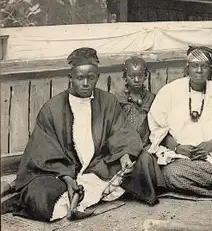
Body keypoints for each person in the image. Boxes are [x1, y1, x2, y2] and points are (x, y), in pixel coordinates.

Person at [1, 48, 167, 222]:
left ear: (97, 77)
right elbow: (44, 153)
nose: (86, 83)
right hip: (61, 172)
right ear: (70, 78)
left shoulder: (108, 101)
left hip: (99, 166)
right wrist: (67, 179)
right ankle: (77, 197)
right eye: (80, 78)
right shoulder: (52, 108)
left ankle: (78, 199)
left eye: (91, 78)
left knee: (142, 161)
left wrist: (125, 155)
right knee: (40, 196)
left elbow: (121, 132)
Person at [147, 46, 212, 197]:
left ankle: (211, 188)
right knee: (171, 174)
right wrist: (177, 148)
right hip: (183, 159)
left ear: (211, 70)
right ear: (187, 68)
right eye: (194, 66)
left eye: (204, 66)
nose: (199, 70)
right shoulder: (169, 91)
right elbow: (157, 129)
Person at [117, 56, 156, 147]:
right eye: (132, 76)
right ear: (125, 77)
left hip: (146, 145)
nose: (136, 80)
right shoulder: (119, 99)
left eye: (140, 76)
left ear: (145, 76)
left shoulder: (151, 99)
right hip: (123, 146)